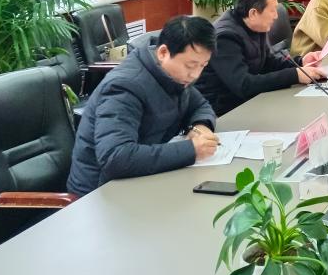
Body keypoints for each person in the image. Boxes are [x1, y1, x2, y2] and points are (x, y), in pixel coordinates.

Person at [67, 16, 219, 196]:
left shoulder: (174, 75)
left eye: (202, 66)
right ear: (163, 53)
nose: (195, 74)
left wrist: (200, 126)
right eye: (190, 65)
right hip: (100, 193)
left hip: (140, 178)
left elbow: (200, 105)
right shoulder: (124, 86)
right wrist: (191, 150)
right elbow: (115, 157)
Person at [197, 0, 328, 116]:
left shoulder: (255, 24)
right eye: (272, 10)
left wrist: (301, 62)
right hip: (224, 112)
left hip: (249, 101)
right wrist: (295, 75)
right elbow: (243, 85)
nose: (276, 16)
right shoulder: (224, 37)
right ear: (253, 13)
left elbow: (268, 63)